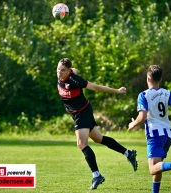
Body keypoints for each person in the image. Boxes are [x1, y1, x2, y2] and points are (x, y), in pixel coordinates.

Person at [56, 58, 138, 190]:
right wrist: (73, 70)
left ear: (68, 71)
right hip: (78, 113)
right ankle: (128, 153)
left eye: (63, 70)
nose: (59, 72)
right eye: (58, 69)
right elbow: (74, 69)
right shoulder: (64, 74)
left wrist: (117, 91)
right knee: (99, 139)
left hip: (82, 113)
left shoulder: (75, 80)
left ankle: (97, 175)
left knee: (81, 144)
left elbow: (95, 87)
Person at [128, 65, 171, 193]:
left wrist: (132, 124)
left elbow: (142, 116)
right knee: (158, 165)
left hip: (155, 135)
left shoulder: (143, 95)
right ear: (160, 79)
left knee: (152, 168)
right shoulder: (167, 93)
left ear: (148, 79)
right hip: (168, 134)